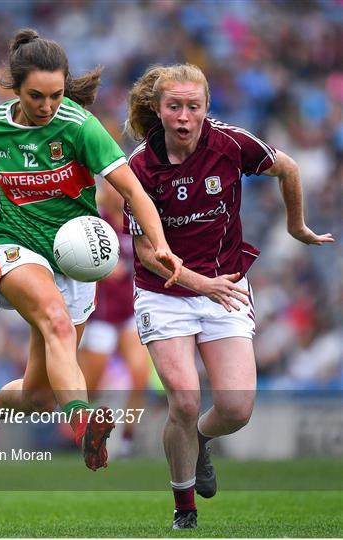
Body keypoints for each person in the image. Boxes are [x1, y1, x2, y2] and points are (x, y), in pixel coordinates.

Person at [0, 29, 182, 473]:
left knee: (38, 396)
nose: (47, 106)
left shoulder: (79, 127)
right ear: (15, 86)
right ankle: (83, 423)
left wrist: (158, 243)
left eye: (56, 94)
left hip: (78, 260)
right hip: (17, 247)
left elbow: (132, 190)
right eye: (35, 96)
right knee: (56, 322)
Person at [124, 64, 334, 528]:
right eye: (174, 106)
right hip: (165, 293)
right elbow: (145, 249)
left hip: (226, 285)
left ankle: (198, 439)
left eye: (192, 107)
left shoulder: (230, 144)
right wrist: (201, 285)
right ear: (158, 110)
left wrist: (295, 225)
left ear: (206, 109)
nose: (183, 116)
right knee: (182, 398)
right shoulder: (139, 168)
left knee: (237, 408)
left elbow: (288, 167)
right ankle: (184, 510)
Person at [78, 180, 150, 457]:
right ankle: (85, 433)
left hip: (129, 313)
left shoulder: (138, 222)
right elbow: (75, 261)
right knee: (90, 387)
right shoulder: (95, 223)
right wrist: (100, 269)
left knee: (140, 374)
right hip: (101, 317)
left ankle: (128, 440)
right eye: (111, 188)